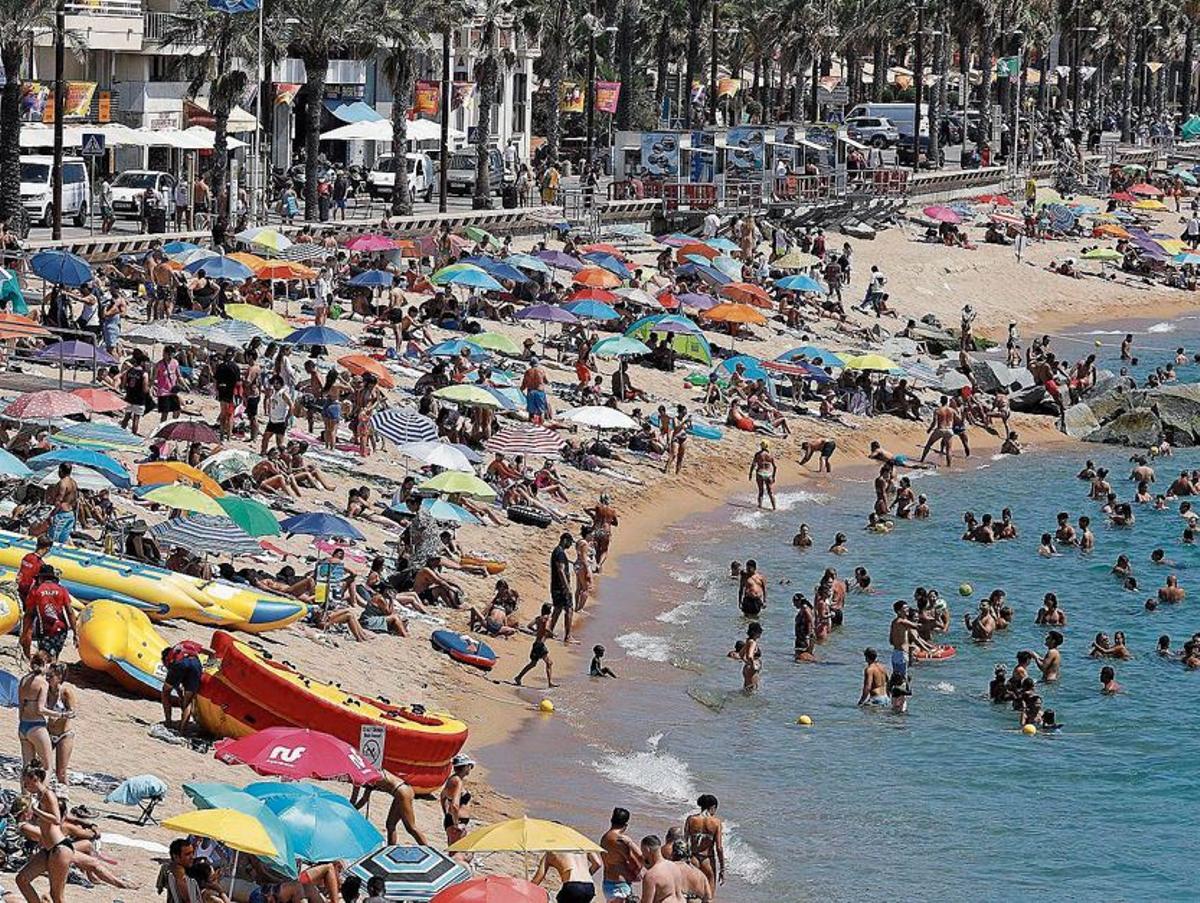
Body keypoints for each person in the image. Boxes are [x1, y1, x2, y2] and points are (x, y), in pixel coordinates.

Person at [16, 758, 74, 903]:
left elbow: (56, 819)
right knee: (22, 879)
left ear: (35, 779)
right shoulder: (39, 797)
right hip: (48, 849)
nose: (25, 786)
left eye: (26, 782)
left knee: (57, 897)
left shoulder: (48, 795)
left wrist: (36, 810)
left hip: (59, 848)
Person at [21, 565, 76, 662]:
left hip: (45, 629)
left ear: (41, 578)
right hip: (62, 629)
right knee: (54, 656)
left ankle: (41, 672)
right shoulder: (62, 590)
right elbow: (70, 611)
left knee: (44, 656)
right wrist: (75, 632)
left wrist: (24, 633)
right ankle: (51, 672)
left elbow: (29, 614)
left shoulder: (36, 591)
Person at [160, 639, 210, 732]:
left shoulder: (169, 657)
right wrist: (210, 664)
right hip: (195, 664)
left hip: (180, 663)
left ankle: (168, 722)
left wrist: (179, 693)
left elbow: (175, 681)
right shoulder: (187, 643)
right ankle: (182, 731)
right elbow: (210, 652)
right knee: (188, 702)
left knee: (165, 692)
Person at [17, 653, 54, 771]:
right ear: (44, 664)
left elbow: (21, 705)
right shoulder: (43, 683)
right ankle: (43, 790)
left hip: (23, 725)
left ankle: (24, 790)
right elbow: (40, 709)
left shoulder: (24, 679)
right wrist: (61, 714)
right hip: (36, 726)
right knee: (47, 767)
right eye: (49, 664)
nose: (49, 668)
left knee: (27, 767)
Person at [43, 663, 76, 789]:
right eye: (47, 675)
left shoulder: (66, 692)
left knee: (60, 773)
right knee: (41, 766)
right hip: (49, 732)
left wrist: (60, 715)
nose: (48, 678)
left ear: (59, 676)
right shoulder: (46, 690)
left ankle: (64, 800)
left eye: (50, 675)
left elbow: (73, 712)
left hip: (64, 735)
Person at [599, 808, 643, 903]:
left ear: (611, 820)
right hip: (620, 884)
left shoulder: (604, 838)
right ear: (626, 824)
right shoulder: (620, 841)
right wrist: (630, 843)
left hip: (607, 883)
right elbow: (639, 859)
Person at [684, 794, 724, 896]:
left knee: (691, 894)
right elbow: (719, 847)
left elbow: (685, 842)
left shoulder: (691, 819)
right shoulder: (716, 822)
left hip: (693, 858)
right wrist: (722, 868)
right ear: (713, 807)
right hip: (708, 860)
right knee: (709, 895)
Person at [532, 850, 602, 903]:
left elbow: (538, 879)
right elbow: (597, 863)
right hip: (589, 886)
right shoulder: (581, 846)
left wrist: (527, 888)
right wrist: (587, 874)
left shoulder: (551, 852)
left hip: (572, 886)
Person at [513, 603, 556, 687]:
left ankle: (518, 677)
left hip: (536, 643)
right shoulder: (547, 618)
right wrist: (553, 634)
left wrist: (536, 631)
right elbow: (547, 628)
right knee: (549, 663)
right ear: (550, 611)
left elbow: (529, 626)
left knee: (533, 663)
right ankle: (550, 683)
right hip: (540, 644)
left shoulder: (538, 618)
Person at [440, 753, 474, 849]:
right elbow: (455, 805)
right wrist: (456, 824)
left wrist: (446, 813)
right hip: (457, 822)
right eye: (470, 766)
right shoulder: (457, 781)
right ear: (466, 766)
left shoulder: (452, 779)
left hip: (453, 819)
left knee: (455, 850)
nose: (470, 769)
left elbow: (443, 797)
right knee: (456, 852)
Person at [548, 532, 576, 644]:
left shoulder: (557, 551)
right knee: (569, 610)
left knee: (557, 609)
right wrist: (567, 587)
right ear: (565, 540)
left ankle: (549, 630)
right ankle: (568, 636)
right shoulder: (560, 553)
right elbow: (561, 570)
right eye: (569, 542)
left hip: (555, 586)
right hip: (561, 587)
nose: (570, 545)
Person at [45, 464, 78, 545]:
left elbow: (59, 500)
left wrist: (53, 514)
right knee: (62, 541)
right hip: (70, 513)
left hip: (61, 514)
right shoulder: (74, 483)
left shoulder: (62, 483)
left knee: (52, 539)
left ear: (61, 471)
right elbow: (75, 498)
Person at [749, 441, 777, 510]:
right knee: (770, 492)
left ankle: (760, 507)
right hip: (768, 474)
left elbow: (753, 465)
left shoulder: (757, 454)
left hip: (760, 473)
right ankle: (774, 508)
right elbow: (775, 467)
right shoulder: (770, 455)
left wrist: (750, 474)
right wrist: (773, 476)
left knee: (761, 491)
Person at [740, 622, 763, 691]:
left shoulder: (748, 641)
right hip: (752, 669)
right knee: (752, 690)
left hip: (747, 668)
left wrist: (747, 663)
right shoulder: (753, 642)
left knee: (747, 688)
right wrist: (753, 666)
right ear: (756, 633)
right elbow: (750, 656)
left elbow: (741, 654)